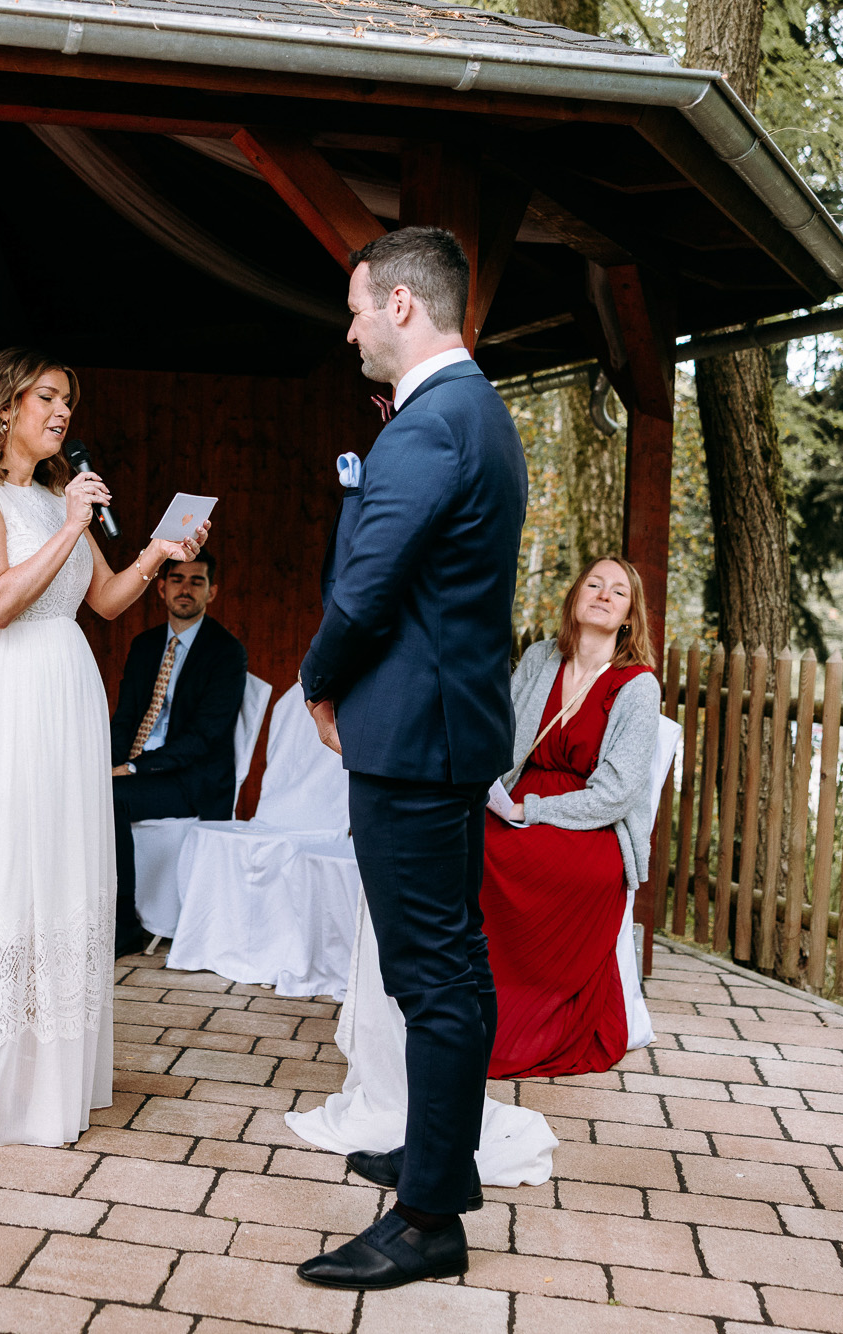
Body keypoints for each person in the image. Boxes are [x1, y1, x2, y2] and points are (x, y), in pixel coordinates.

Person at [0, 347, 210, 1150]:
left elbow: (103, 600)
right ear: (4, 407)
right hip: (3, 696)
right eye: (46, 397)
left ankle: (48, 1075)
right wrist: (71, 521)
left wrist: (158, 553)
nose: (62, 412)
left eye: (68, 399)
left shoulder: (49, 494)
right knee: (1, 866)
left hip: (66, 694)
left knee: (62, 868)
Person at [293, 227, 528, 1292]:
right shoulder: (464, 411)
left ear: (400, 306)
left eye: (354, 308)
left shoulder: (434, 423)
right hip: (437, 732)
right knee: (440, 967)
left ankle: (428, 1218)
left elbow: (366, 587)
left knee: (432, 975)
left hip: (414, 738)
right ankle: (437, 1156)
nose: (346, 328)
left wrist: (315, 680)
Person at [483, 558, 661, 1078]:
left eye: (619, 592)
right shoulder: (540, 658)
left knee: (530, 857)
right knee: (467, 843)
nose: (604, 595)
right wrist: (491, 794)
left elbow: (617, 793)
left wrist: (529, 811)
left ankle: (532, 1023)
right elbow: (501, 733)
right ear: (576, 597)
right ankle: (461, 1009)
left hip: (587, 824)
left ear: (631, 615)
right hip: (512, 799)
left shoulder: (637, 685)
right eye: (594, 584)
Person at [108, 551, 248, 956]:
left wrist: (133, 768)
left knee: (110, 799)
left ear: (212, 591)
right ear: (161, 588)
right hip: (139, 769)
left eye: (197, 581)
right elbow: (127, 717)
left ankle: (124, 924)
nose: (185, 588)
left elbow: (204, 737)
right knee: (82, 789)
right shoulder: (145, 645)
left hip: (192, 780)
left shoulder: (226, 652)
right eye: (177, 579)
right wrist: (106, 763)